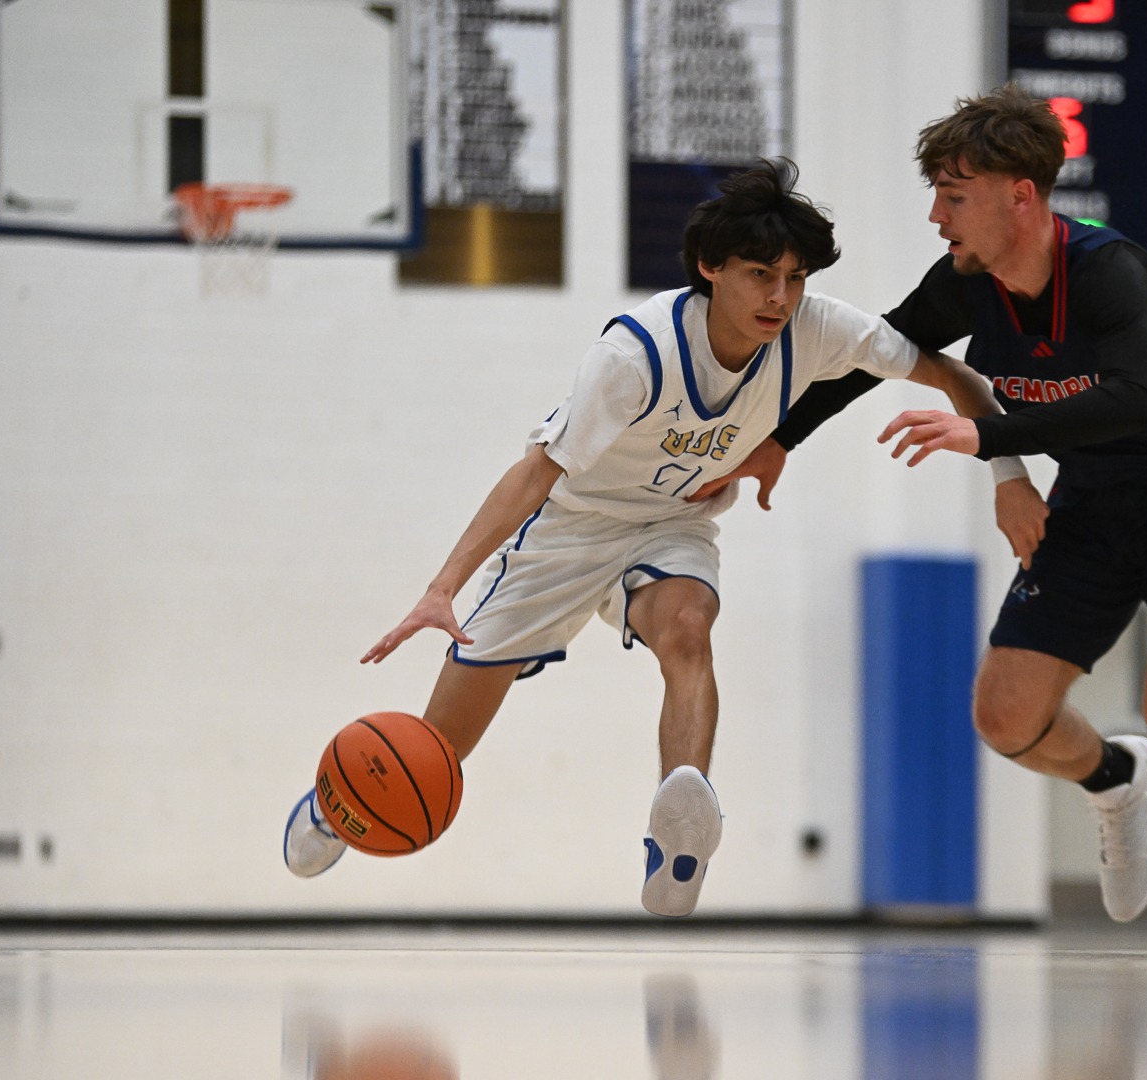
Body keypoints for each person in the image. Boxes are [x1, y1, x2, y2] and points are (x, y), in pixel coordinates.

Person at [281, 159, 1005, 918]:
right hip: (570, 528)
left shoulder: (817, 329)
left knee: (690, 627)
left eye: (794, 278)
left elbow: (953, 376)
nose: (780, 297)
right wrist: (440, 590)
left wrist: (1008, 470)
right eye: (761, 274)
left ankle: (680, 828)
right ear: (710, 268)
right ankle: (341, 803)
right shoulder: (636, 355)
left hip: (673, 524)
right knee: (436, 752)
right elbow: (533, 475)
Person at [706, 87, 1147, 948]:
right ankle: (1118, 780)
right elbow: (879, 353)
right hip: (1093, 498)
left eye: (955, 194)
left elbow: (1130, 400)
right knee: (1007, 718)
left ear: (1022, 195)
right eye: (937, 193)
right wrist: (780, 438)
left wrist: (988, 440)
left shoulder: (1114, 274)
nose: (937, 215)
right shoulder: (966, 285)